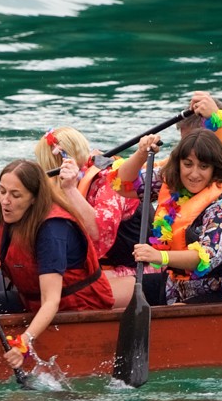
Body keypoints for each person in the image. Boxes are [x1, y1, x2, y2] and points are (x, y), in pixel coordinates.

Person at [0, 159, 113, 369]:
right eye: (2, 191)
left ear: (34, 199)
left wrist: (25, 341)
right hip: (32, 299)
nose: (5, 200)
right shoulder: (5, 208)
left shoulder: (52, 229)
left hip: (75, 305)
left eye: (15, 194)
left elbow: (51, 300)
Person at [114, 127, 222, 305]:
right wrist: (141, 153)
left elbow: (206, 258)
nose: (194, 174)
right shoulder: (174, 180)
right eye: (188, 164)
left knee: (174, 315)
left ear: (215, 168)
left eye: (203, 167)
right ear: (179, 164)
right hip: (181, 287)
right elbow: (123, 185)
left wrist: (160, 257)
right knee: (112, 297)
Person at [35, 126, 144, 309]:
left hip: (132, 272)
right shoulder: (72, 180)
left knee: (60, 296)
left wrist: (70, 190)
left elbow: (100, 234)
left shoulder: (109, 178)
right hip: (98, 270)